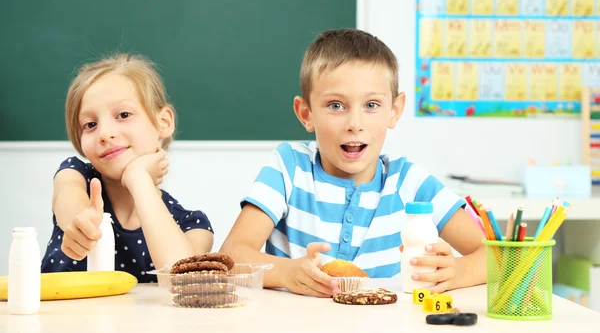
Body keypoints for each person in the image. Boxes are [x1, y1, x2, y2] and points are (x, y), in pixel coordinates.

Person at [220, 29, 485, 297]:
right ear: (306, 113)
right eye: (336, 106)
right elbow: (231, 256)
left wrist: (457, 272)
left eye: (371, 105)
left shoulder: (411, 183)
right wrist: (286, 273)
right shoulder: (289, 168)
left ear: (394, 111)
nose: (354, 124)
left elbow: (495, 255)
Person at [41, 53, 213, 282]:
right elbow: (69, 201)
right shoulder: (76, 176)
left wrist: (138, 178)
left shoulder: (192, 224)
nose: (104, 134)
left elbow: (180, 279)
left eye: (123, 115)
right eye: (90, 125)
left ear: (164, 122)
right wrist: (80, 223)